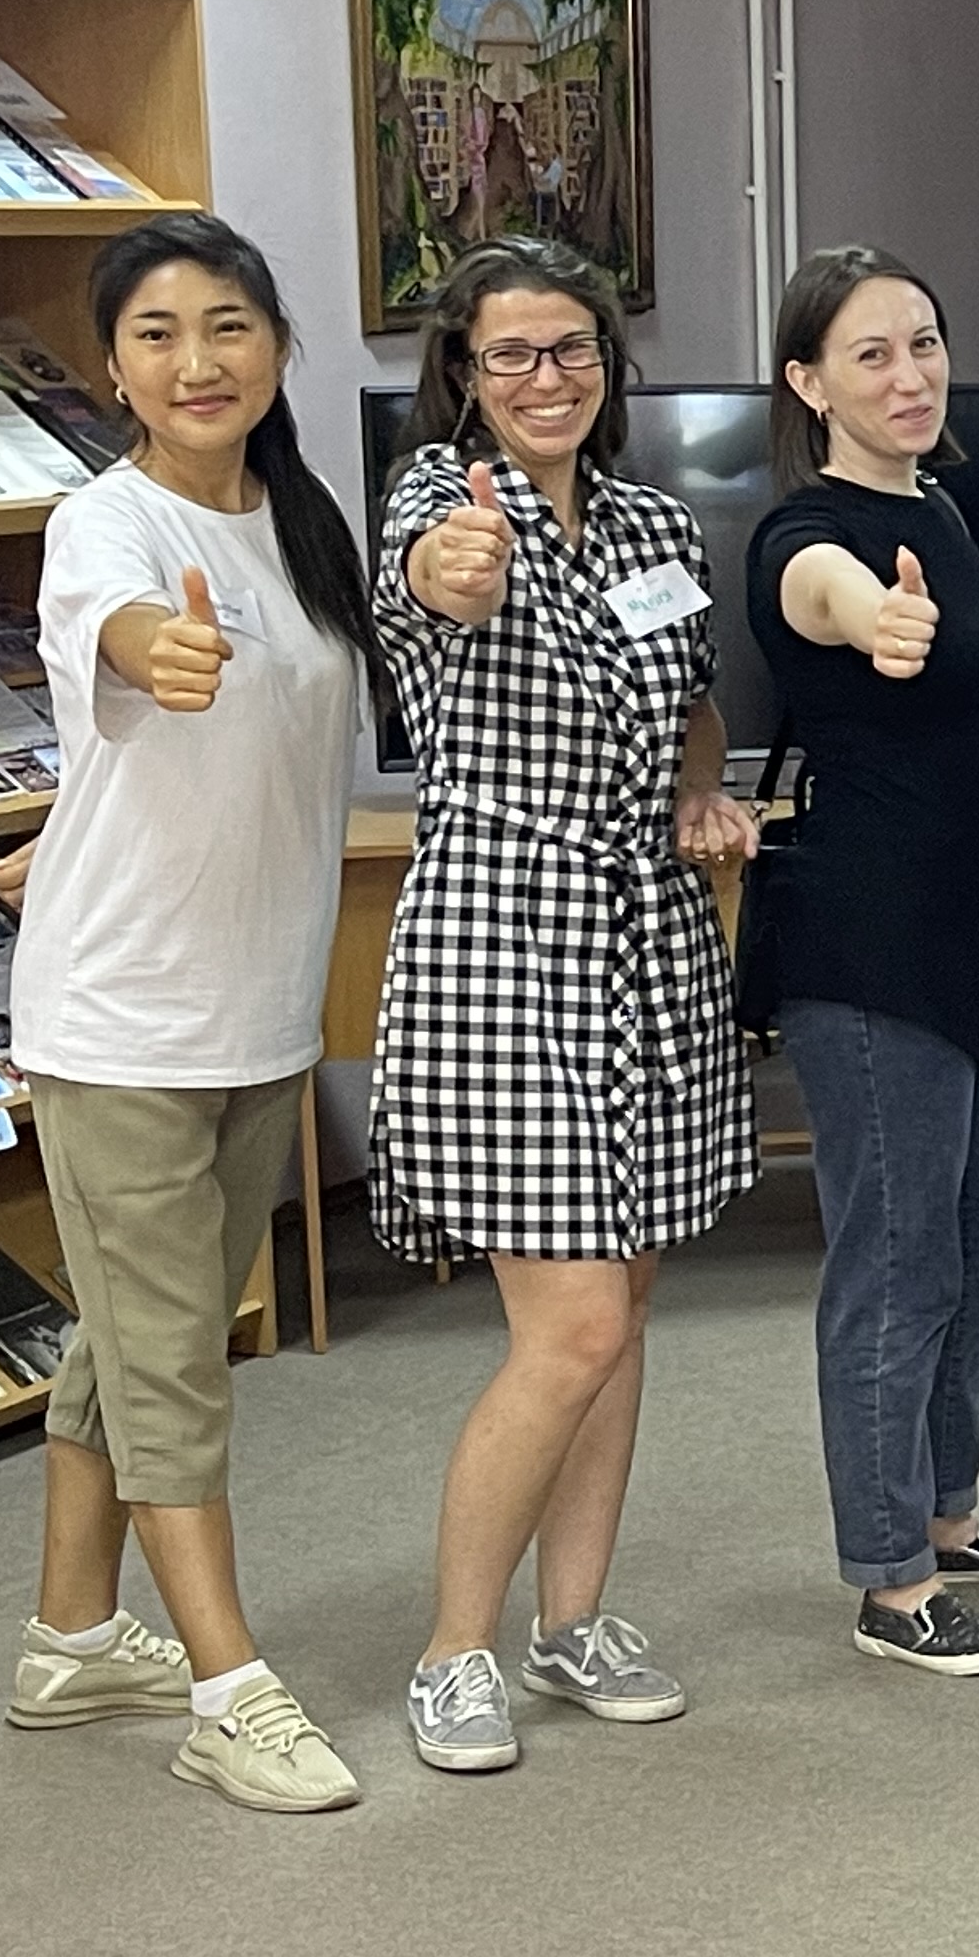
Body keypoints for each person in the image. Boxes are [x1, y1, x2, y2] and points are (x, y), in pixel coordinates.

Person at [367, 238, 755, 1772]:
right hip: (505, 935)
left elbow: (694, 701)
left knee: (625, 1306)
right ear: (465, 373)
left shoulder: (653, 520)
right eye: (512, 354)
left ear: (610, 362)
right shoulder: (438, 501)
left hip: (650, 932)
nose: (547, 378)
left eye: (573, 349)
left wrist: (702, 787)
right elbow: (437, 581)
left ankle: (572, 1621)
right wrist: (457, 567)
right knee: (573, 1320)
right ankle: (452, 1650)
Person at [6, 214, 368, 1811]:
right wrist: (161, 649)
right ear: (113, 368)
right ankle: (230, 1690)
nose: (196, 361)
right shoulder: (104, 525)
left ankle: (72, 1639)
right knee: (174, 1368)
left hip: (256, 1011)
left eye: (227, 325)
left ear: (277, 346)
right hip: (123, 1019)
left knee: (132, 1337)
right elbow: (125, 634)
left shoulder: (304, 524)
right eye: (155, 333)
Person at [747, 246, 979, 1676]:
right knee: (897, 1262)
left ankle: (951, 1515)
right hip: (870, 942)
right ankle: (891, 1582)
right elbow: (827, 596)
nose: (911, 376)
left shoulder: (940, 509)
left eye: (926, 344)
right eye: (872, 355)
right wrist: (875, 620)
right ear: (809, 383)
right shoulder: (805, 536)